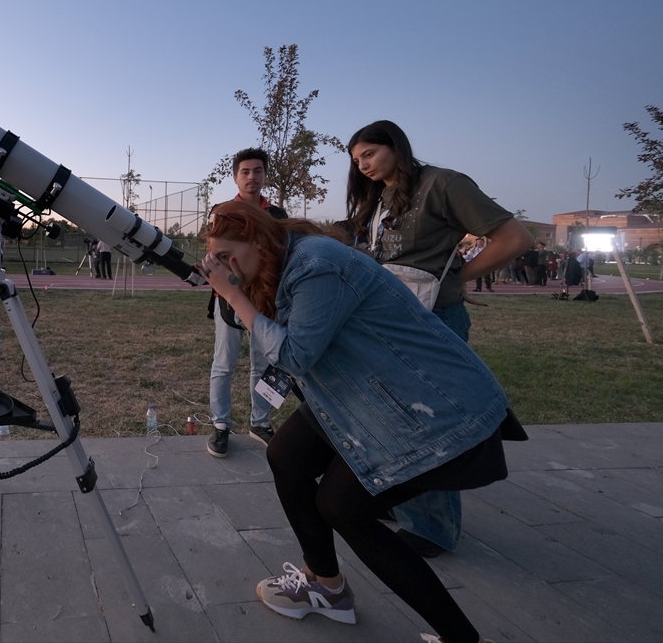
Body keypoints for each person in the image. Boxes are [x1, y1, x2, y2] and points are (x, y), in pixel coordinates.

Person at [199, 201, 522, 643]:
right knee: (287, 456)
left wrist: (234, 293)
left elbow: (294, 354)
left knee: (343, 508)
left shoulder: (316, 264)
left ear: (258, 240)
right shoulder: (282, 258)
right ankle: (326, 586)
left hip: (427, 406)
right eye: (217, 260)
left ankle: (460, 637)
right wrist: (236, 291)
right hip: (362, 392)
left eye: (228, 257)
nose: (224, 267)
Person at [346, 120, 532, 559]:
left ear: (396, 145)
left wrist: (459, 278)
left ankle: (432, 528)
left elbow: (515, 237)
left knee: (426, 424)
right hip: (391, 322)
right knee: (393, 419)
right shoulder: (381, 197)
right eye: (357, 160)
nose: (363, 165)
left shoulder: (443, 184)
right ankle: (402, 500)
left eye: (369, 153)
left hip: (434, 320)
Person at [206, 146, 286, 459]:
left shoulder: (276, 215)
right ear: (235, 177)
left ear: (265, 175)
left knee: (263, 365)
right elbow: (217, 254)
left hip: (265, 300)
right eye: (245, 172)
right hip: (228, 298)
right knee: (223, 365)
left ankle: (260, 422)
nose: (252, 177)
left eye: (257, 171)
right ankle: (221, 425)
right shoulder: (222, 211)